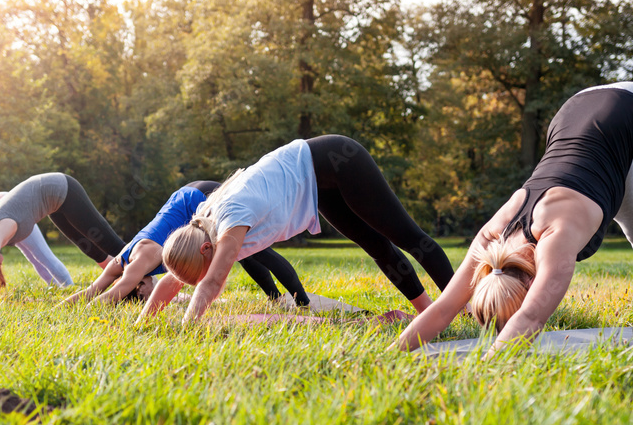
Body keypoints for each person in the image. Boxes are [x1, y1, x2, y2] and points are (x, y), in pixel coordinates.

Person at [394, 82, 633, 354]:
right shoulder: (487, 243)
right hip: (576, 112)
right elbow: (444, 308)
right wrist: (393, 356)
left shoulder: (556, 241)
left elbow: (530, 316)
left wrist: (484, 369)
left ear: (532, 280)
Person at [139, 135, 454, 323]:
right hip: (317, 184)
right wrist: (144, 323)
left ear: (206, 249)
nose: (197, 282)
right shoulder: (199, 228)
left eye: (200, 271)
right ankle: (429, 312)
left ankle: (468, 306)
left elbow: (212, 282)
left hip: (337, 160)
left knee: (407, 236)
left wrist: (188, 328)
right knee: (376, 246)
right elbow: (174, 278)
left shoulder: (230, 220)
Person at [62, 181, 311, 305]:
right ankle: (277, 298)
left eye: (143, 296)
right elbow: (91, 291)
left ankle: (301, 302)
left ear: (139, 287)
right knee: (245, 253)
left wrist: (86, 315)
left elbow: (116, 290)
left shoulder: (140, 261)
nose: (149, 297)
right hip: (184, 199)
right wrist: (63, 308)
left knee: (254, 250)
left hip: (199, 199)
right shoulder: (120, 261)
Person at [0, 173, 125, 301]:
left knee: (111, 245)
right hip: (54, 201)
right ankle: (129, 287)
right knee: (94, 251)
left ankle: (146, 280)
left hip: (62, 189)